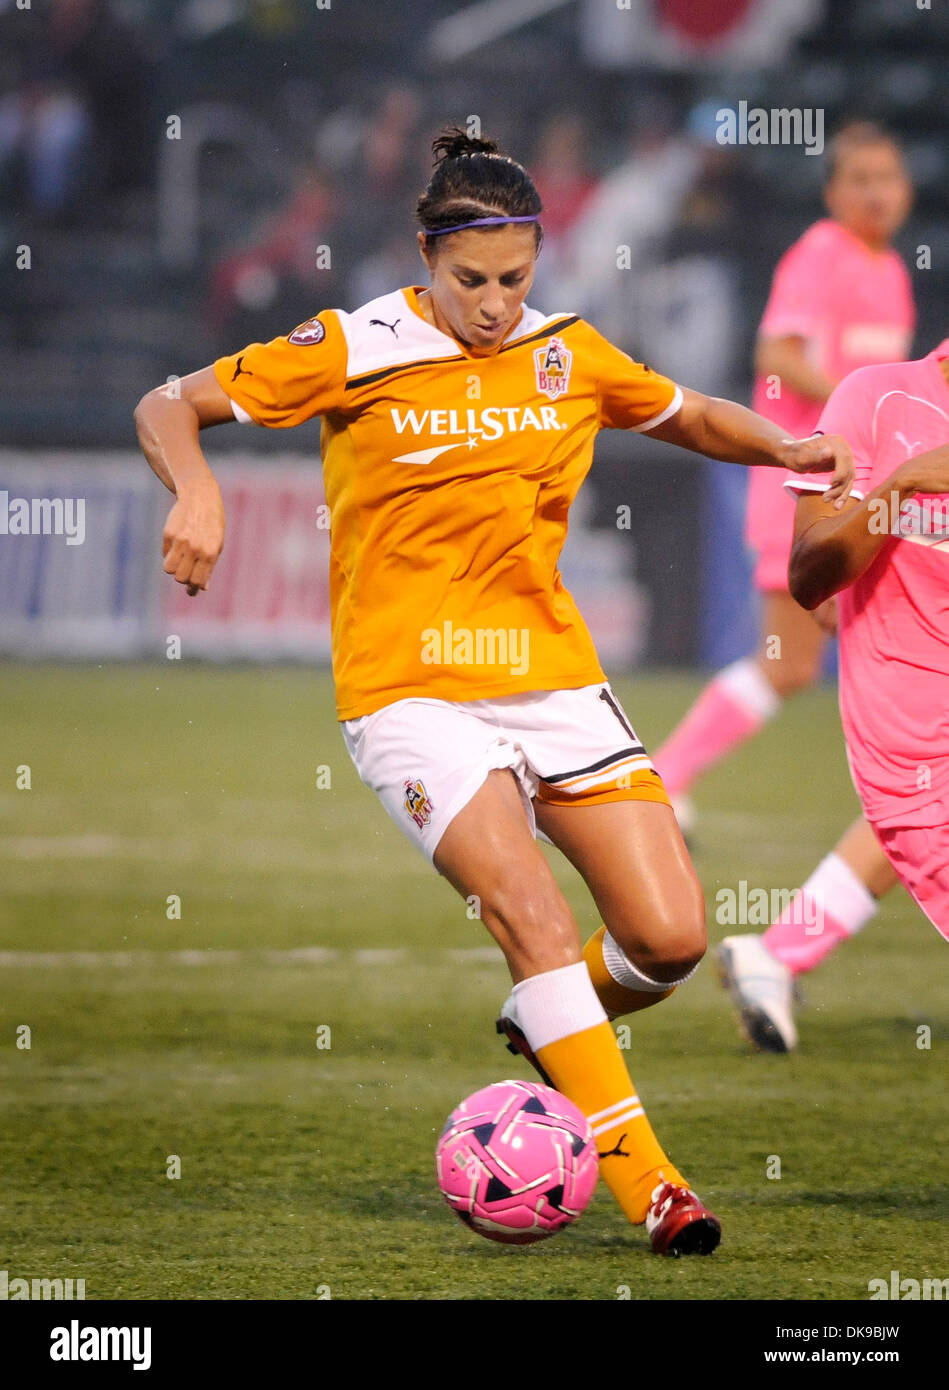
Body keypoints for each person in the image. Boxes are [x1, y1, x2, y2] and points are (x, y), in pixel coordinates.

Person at [134, 128, 853, 1255]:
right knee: (531, 912)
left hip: (551, 678)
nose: (491, 302)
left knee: (667, 940)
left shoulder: (566, 352)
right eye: (469, 280)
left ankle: (549, 1019)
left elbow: (688, 413)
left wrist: (791, 445)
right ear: (425, 256)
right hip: (408, 691)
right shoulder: (352, 344)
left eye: (513, 279)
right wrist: (198, 494)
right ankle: (653, 1185)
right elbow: (165, 405)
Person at [650, 122, 916, 1052]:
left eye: (889, 175)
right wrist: (862, 396)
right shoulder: (821, 255)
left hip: (871, 506)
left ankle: (779, 947)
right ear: (832, 189)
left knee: (902, 763)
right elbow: (775, 352)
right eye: (859, 176)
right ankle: (666, 781)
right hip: (815, 498)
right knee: (793, 662)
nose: (877, 191)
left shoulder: (890, 273)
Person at [785, 337, 949, 940]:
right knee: (782, 668)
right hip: (912, 735)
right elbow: (808, 576)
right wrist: (901, 484)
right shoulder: (879, 397)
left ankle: (776, 955)